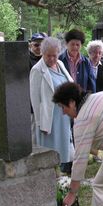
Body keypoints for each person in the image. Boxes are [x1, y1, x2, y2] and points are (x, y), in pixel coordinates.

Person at [30, 37, 75, 174]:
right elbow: (35, 99)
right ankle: (51, 177)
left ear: (59, 53)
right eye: (48, 55)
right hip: (49, 118)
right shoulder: (37, 70)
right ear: (42, 53)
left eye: (54, 55)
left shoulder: (60, 64)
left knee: (64, 148)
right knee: (50, 152)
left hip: (63, 116)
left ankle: (60, 177)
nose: (51, 59)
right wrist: (40, 123)